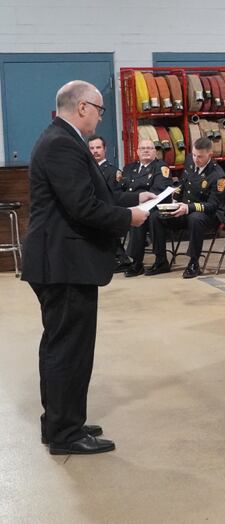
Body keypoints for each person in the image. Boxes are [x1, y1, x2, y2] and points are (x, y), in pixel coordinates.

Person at [22, 80, 150, 455]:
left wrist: (134, 198)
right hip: (62, 263)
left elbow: (95, 195)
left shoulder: (61, 139)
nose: (99, 117)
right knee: (69, 349)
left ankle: (61, 421)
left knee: (62, 345)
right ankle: (65, 434)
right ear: (82, 108)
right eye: (99, 109)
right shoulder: (62, 143)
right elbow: (83, 207)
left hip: (61, 260)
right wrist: (129, 217)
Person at [148, 137, 225, 278]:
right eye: (194, 155)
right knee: (155, 216)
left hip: (209, 215)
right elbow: (183, 184)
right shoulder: (190, 160)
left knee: (195, 219)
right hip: (185, 209)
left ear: (210, 155)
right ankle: (161, 261)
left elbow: (213, 205)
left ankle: (193, 263)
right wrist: (174, 200)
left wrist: (188, 207)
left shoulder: (217, 175)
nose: (196, 159)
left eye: (200, 157)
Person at [118, 139, 170, 277]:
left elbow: (157, 191)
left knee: (144, 216)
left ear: (155, 151)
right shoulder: (129, 168)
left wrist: (136, 197)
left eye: (149, 148)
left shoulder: (161, 167)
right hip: (134, 204)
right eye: (142, 148)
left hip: (154, 207)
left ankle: (153, 261)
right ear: (137, 152)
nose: (146, 150)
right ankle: (119, 257)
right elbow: (122, 189)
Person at [88, 134, 130, 272]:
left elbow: (115, 196)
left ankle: (119, 257)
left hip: (108, 209)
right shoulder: (86, 170)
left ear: (104, 149)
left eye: (98, 147)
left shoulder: (113, 172)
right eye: (92, 148)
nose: (95, 151)